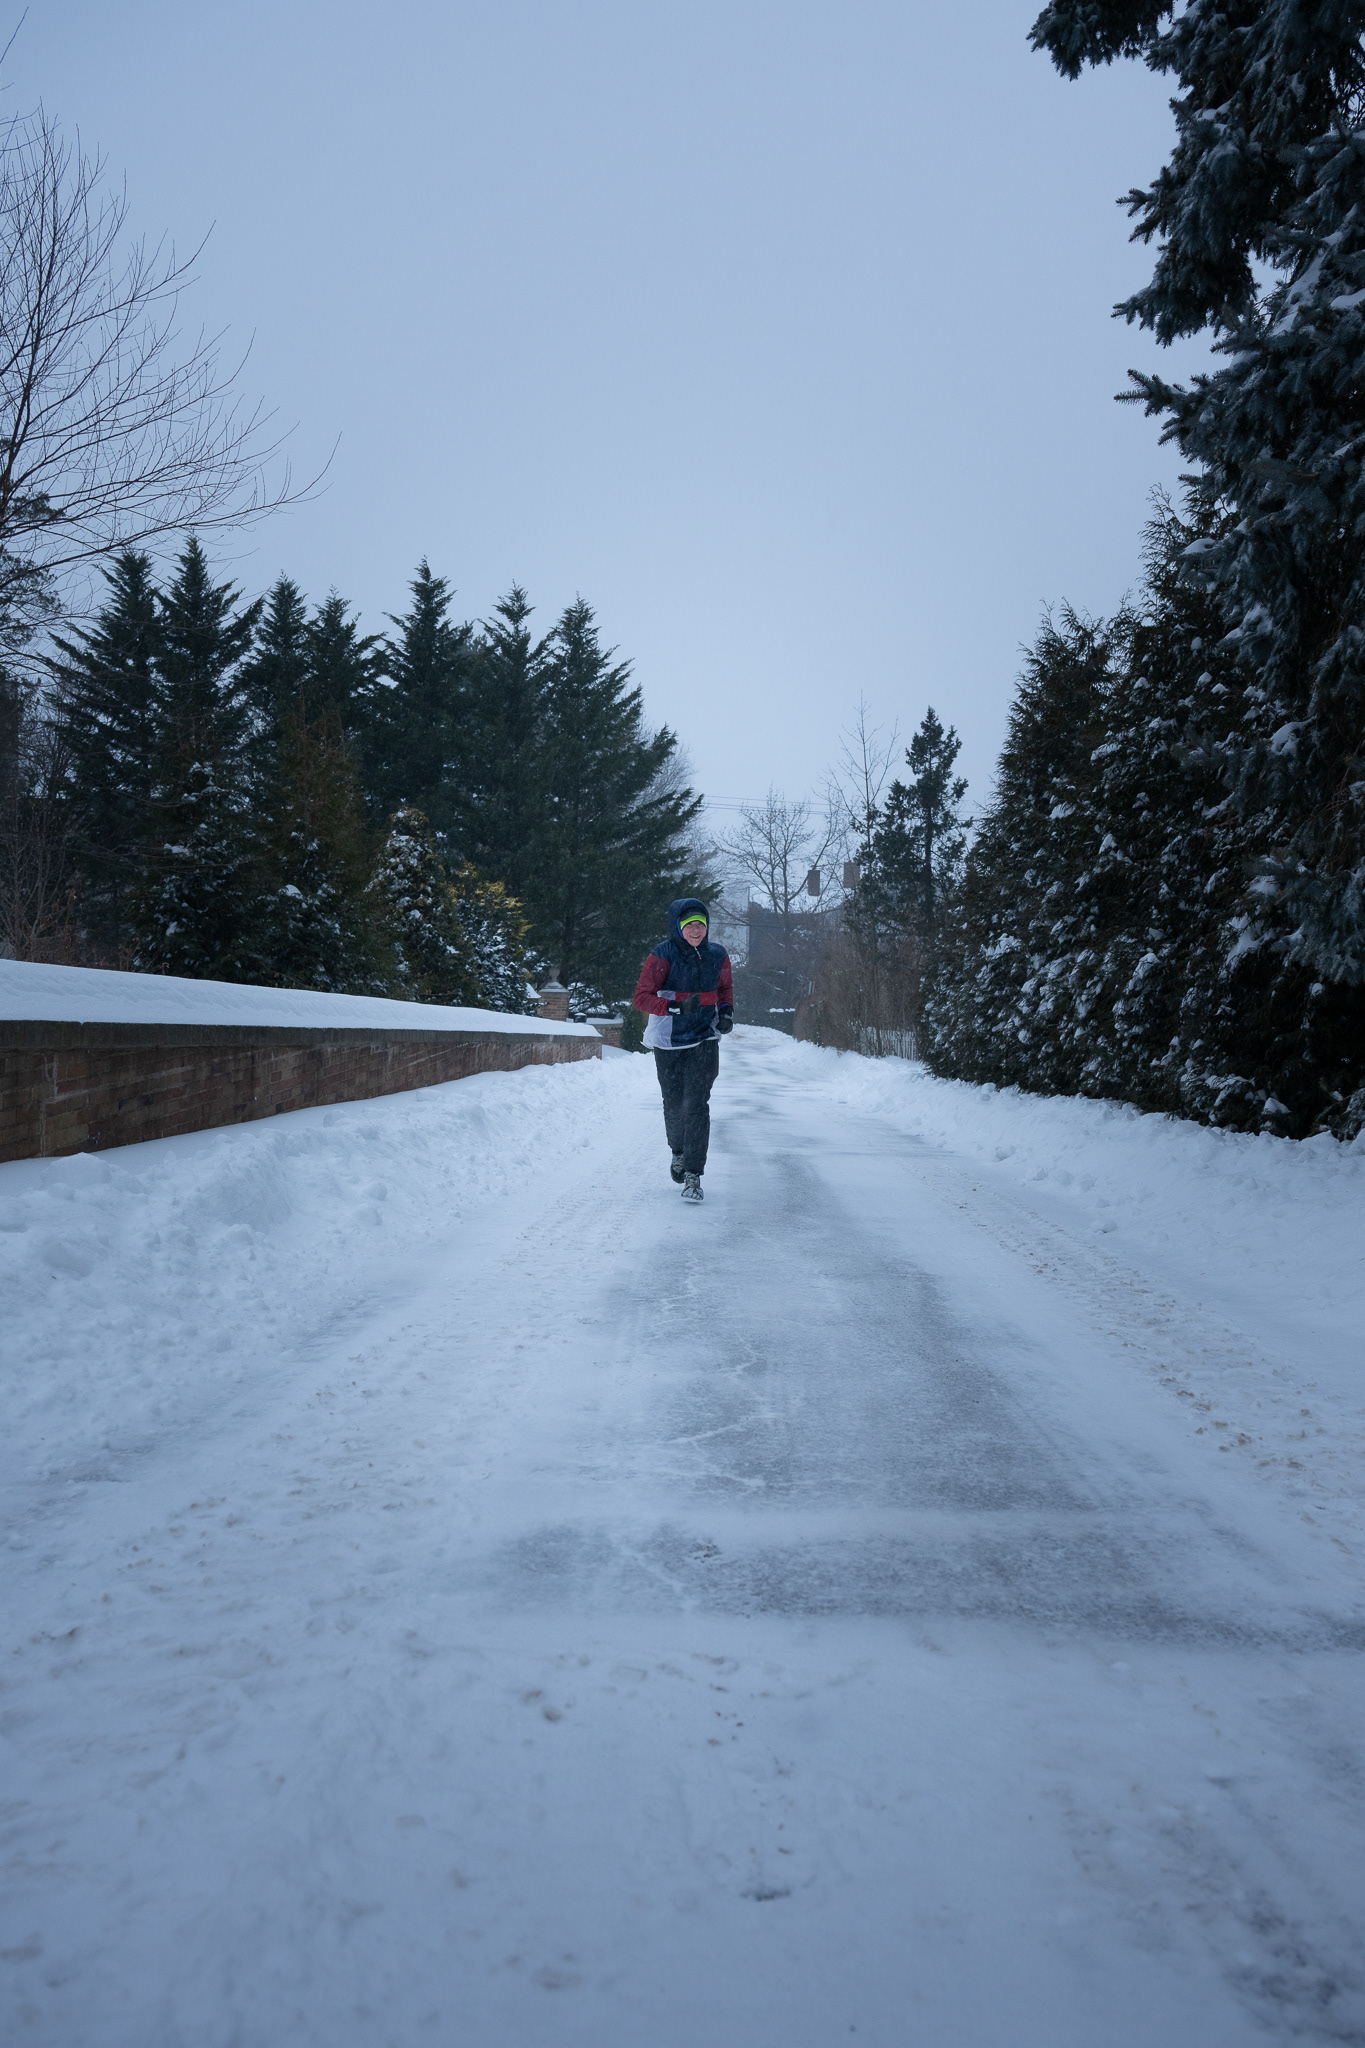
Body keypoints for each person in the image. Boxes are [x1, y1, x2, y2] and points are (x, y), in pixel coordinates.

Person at [633, 897, 733, 1202]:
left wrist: (726, 1011)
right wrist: (674, 1007)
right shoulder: (663, 954)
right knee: (675, 1103)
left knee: (697, 1104)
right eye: (689, 925)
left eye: (700, 924)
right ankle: (678, 1151)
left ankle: (693, 1174)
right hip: (669, 1039)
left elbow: (724, 988)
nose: (695, 930)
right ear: (678, 926)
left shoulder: (717, 954)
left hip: (705, 1038)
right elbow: (641, 997)